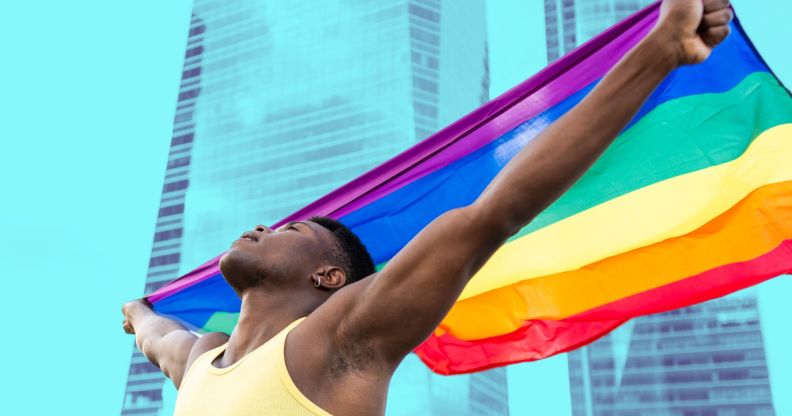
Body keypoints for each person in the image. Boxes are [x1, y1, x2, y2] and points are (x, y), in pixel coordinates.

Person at [122, 1, 734, 414]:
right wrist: (139, 313)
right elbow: (156, 335)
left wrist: (661, 53)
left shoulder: (340, 338)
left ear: (329, 277)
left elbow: (496, 211)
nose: (262, 227)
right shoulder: (202, 358)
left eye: (292, 228)